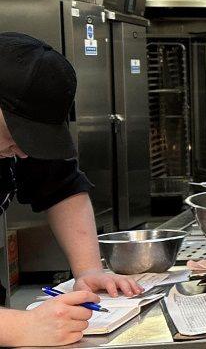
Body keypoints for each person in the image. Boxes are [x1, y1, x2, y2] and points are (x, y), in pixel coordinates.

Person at [0, 32, 142, 347]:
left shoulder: (13, 141)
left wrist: (89, 269)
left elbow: (61, 188)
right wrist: (18, 328)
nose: (22, 153)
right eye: (14, 134)